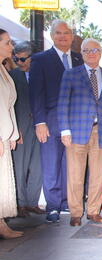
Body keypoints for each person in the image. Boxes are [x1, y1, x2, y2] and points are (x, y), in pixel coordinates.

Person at [57, 38, 102, 227]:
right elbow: (62, 103)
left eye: (95, 50)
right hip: (76, 132)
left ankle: (93, 211)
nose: (91, 53)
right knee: (75, 175)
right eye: (87, 50)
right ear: (81, 53)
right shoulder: (70, 75)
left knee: (97, 175)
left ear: (101, 52)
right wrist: (65, 130)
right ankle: (76, 212)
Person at [29, 20, 83, 223]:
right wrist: (39, 122)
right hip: (50, 122)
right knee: (51, 164)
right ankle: (53, 206)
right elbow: (36, 94)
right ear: (52, 36)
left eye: (66, 33)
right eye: (58, 33)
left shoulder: (79, 59)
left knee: (70, 165)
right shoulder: (40, 59)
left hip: (76, 123)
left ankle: (66, 202)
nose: (62, 36)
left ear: (72, 35)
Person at [10, 41, 44, 218]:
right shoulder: (11, 75)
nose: (20, 62)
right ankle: (20, 203)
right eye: (16, 59)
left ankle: (32, 202)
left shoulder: (41, 74)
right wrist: (15, 130)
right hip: (20, 129)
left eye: (23, 59)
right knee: (20, 166)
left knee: (38, 166)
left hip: (40, 126)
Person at [0, 29, 23, 239]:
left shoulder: (3, 70)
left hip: (5, 134)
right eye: (7, 42)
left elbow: (8, 106)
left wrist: (14, 134)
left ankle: (1, 224)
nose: (11, 46)